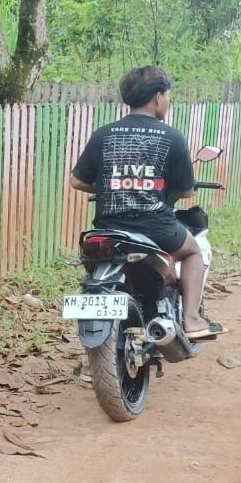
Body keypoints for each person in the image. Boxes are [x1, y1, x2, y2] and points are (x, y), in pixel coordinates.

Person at [70, 64, 220, 339]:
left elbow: (77, 181)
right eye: (168, 96)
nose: (168, 101)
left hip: (108, 228)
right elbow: (186, 192)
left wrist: (110, 185)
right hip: (156, 228)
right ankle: (192, 318)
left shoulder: (104, 134)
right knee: (193, 251)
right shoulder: (172, 137)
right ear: (158, 98)